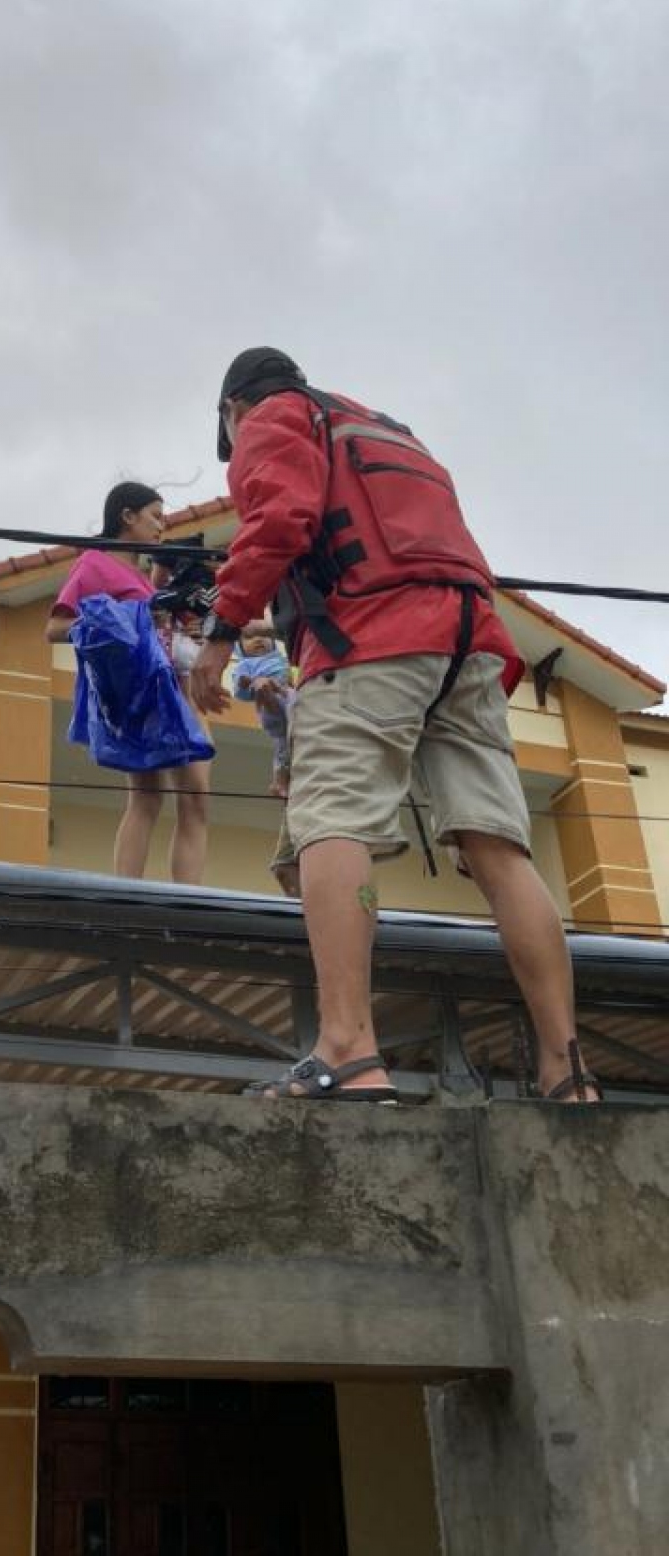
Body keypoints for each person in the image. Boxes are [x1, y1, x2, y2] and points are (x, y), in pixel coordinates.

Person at [189, 347, 599, 1103]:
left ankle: (346, 1050)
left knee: (331, 822)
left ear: (233, 410)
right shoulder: (388, 432)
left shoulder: (273, 416)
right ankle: (567, 1072)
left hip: (374, 636)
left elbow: (280, 519)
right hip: (472, 644)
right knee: (500, 848)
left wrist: (219, 633)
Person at [47, 481, 212, 883]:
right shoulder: (95, 563)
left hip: (172, 688)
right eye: (155, 515)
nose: (161, 525)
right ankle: (127, 892)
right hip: (138, 694)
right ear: (127, 516)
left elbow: (155, 627)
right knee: (148, 796)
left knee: (193, 802)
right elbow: (56, 627)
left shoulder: (141, 576)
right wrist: (129, 618)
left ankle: (185, 901)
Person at [233, 620, 294, 797]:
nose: (258, 640)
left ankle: (280, 781)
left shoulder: (281, 659)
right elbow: (241, 692)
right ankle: (279, 780)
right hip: (270, 705)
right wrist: (246, 683)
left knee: (283, 745)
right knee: (281, 740)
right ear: (239, 647)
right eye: (250, 637)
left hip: (286, 699)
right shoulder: (245, 665)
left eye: (265, 636)